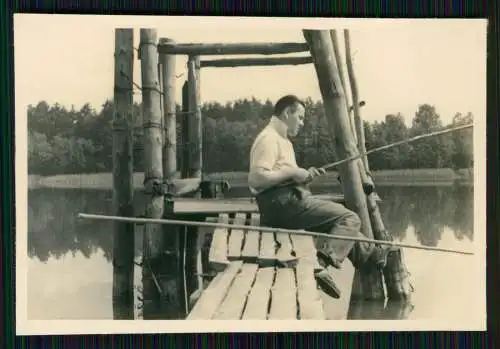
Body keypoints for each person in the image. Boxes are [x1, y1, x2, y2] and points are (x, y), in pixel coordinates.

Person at [248, 94, 398, 299]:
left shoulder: (282, 140)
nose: (302, 123)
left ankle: (370, 253)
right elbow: (256, 179)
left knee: (340, 224)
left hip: (286, 203)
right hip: (282, 206)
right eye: (299, 117)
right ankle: (321, 264)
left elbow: (279, 176)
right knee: (349, 218)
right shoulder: (269, 139)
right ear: (286, 113)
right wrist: (293, 173)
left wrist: (304, 176)